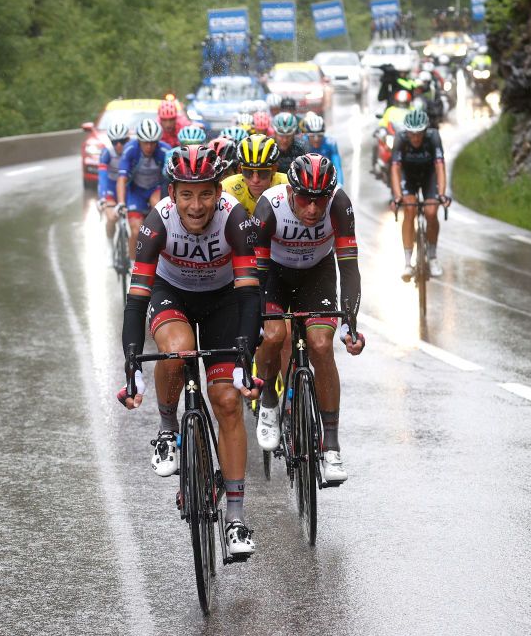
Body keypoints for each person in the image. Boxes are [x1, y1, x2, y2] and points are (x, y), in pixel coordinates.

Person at [119, 145, 262, 557]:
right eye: (186, 194)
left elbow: (250, 295)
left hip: (223, 301)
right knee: (178, 353)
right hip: (172, 295)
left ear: (218, 191)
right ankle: (168, 429)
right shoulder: (156, 223)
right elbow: (136, 300)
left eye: (204, 194)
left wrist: (244, 358)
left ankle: (235, 518)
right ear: (172, 193)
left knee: (227, 402)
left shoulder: (234, 219)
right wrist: (132, 368)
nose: (196, 206)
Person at [252, 153, 365, 483]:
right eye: (304, 199)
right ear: (290, 193)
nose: (313, 209)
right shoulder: (268, 206)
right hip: (273, 275)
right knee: (272, 336)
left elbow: (349, 266)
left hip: (317, 274)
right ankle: (270, 401)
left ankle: (331, 447)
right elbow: (255, 275)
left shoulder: (340, 204)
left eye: (320, 200)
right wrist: (253, 321)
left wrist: (350, 323)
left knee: (320, 345)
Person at [390, 108, 450, 280]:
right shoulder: (400, 138)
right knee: (409, 210)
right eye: (412, 134)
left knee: (431, 212)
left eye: (419, 134)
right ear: (407, 132)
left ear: (425, 132)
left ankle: (432, 257)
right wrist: (397, 196)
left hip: (428, 175)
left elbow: (440, 166)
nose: (415, 138)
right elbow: (395, 168)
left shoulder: (433, 137)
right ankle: (408, 263)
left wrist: (442, 194)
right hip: (407, 175)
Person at [115, 119, 170, 259]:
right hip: (136, 191)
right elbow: (121, 179)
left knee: (160, 212)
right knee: (136, 230)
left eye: (153, 142)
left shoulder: (165, 150)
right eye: (146, 142)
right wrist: (121, 203)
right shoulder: (130, 149)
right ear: (139, 140)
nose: (150, 146)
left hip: (155, 189)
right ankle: (134, 268)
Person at [222, 134, 288, 216]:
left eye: (263, 173)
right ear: (240, 170)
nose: (255, 180)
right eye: (248, 172)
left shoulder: (287, 186)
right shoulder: (227, 188)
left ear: (274, 170)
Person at [97, 122, 131, 238]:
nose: (118, 146)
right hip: (111, 187)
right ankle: (111, 243)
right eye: (114, 142)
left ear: (128, 139)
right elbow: (102, 176)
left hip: (127, 187)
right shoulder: (107, 152)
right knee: (112, 218)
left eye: (122, 141)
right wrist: (102, 197)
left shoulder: (133, 149)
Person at [300, 113, 345, 185]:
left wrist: (339, 184)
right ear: (307, 134)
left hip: (326, 178)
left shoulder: (330, 143)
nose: (316, 139)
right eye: (312, 136)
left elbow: (337, 167)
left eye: (319, 135)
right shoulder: (301, 144)